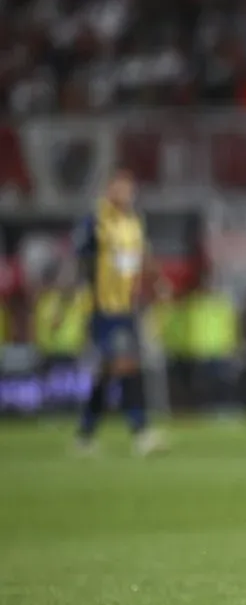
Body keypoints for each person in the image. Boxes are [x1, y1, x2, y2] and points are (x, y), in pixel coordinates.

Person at [67, 168, 165, 455]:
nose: (126, 193)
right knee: (127, 364)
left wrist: (157, 282)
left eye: (129, 188)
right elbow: (79, 263)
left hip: (127, 307)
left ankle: (84, 435)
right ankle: (141, 431)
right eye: (120, 187)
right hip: (103, 308)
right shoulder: (95, 222)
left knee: (108, 372)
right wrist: (67, 301)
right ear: (109, 190)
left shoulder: (133, 222)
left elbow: (142, 255)